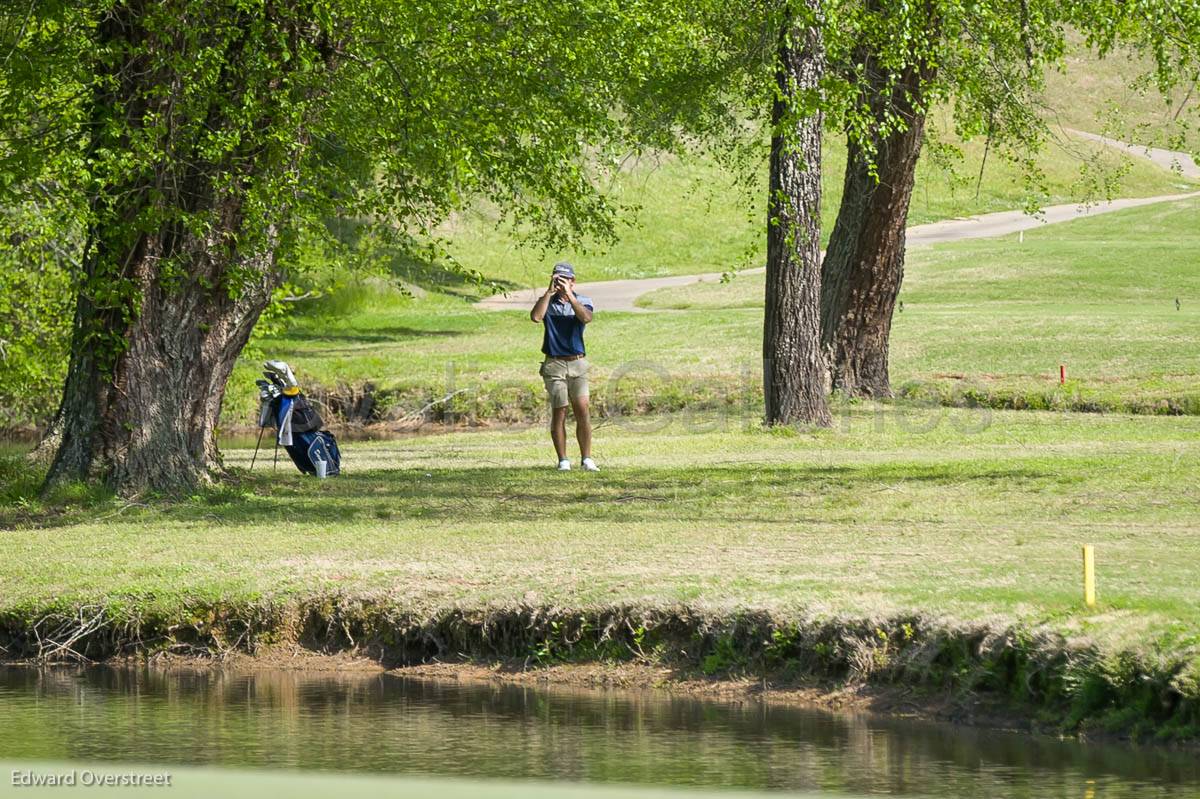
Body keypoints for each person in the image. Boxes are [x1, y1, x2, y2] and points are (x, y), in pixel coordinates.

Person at [530, 262, 598, 471]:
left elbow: (586, 318)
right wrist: (548, 293)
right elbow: (536, 317)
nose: (560, 283)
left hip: (577, 362)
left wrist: (570, 295)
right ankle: (563, 460)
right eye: (557, 278)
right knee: (560, 410)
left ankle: (586, 458)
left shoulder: (583, 301)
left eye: (564, 279)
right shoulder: (546, 302)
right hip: (554, 364)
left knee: (582, 409)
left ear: (572, 281)